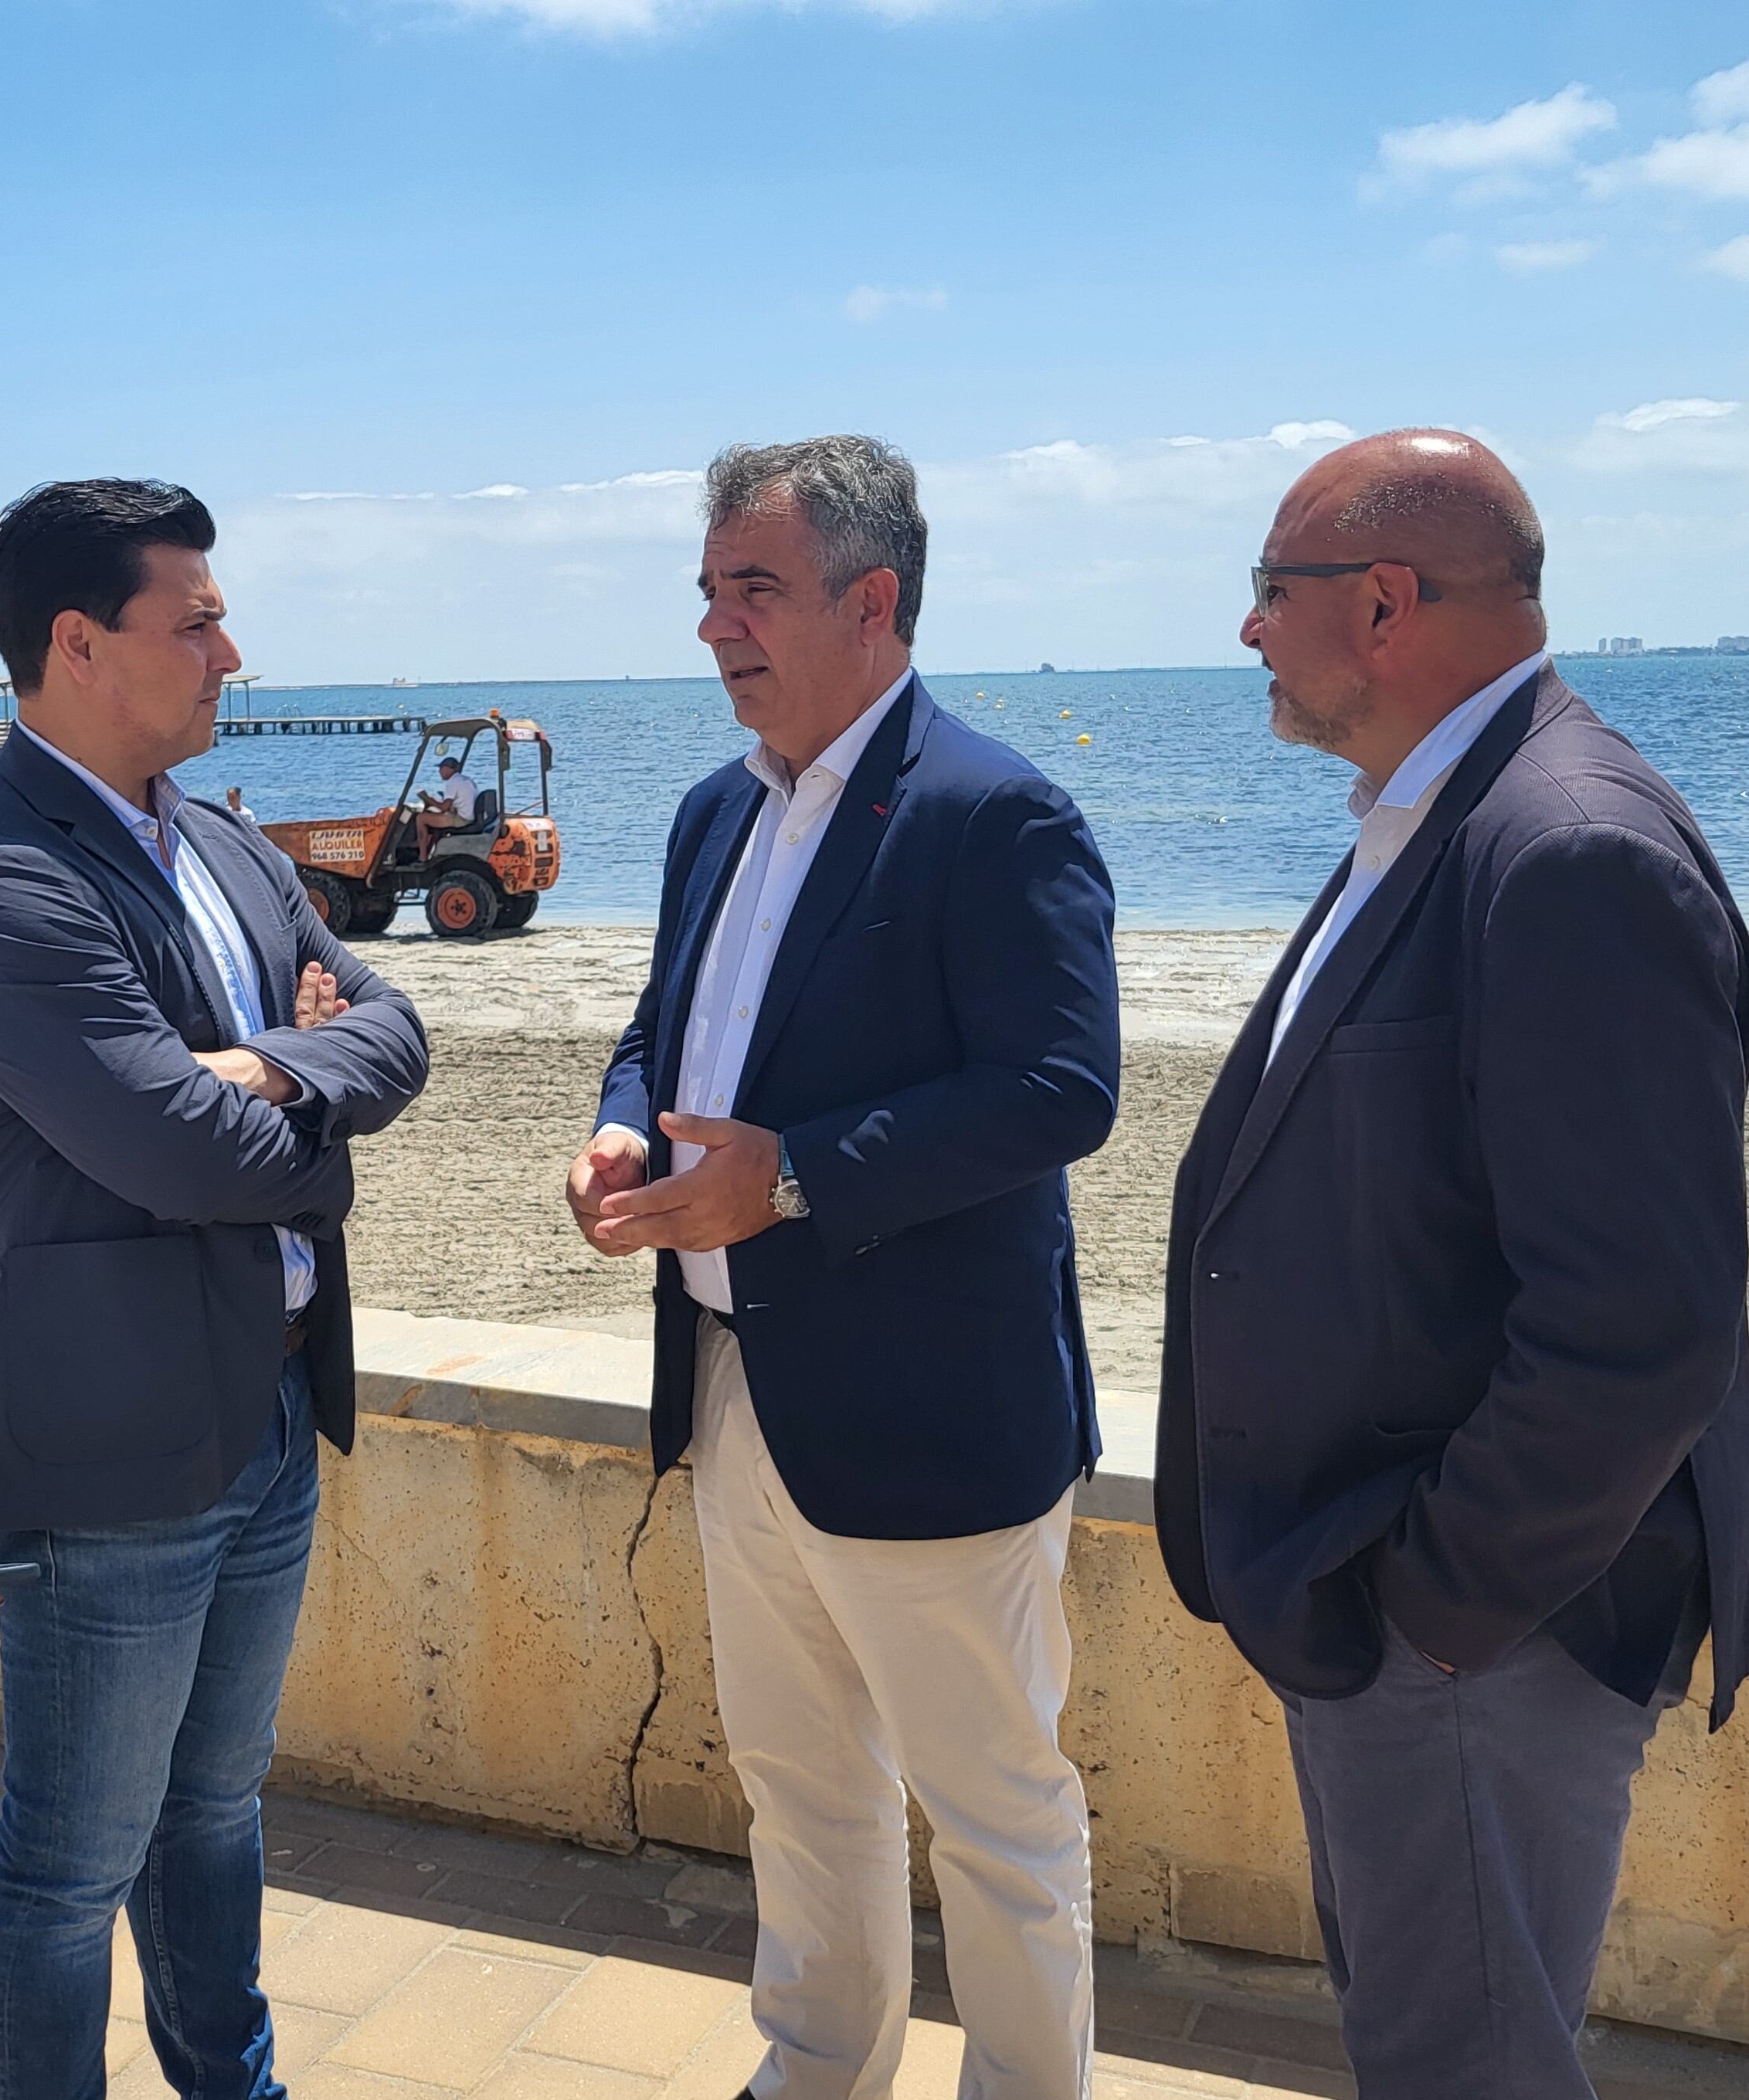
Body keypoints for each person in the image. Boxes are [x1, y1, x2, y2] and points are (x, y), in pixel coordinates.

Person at [1151, 430, 1749, 2098]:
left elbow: (1636, 1325)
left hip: (1478, 1630)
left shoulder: (1562, 842)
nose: (1244, 633)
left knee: (1461, 2067)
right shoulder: (1438, 808)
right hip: (1405, 1605)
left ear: (1378, 603)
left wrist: (1431, 1606)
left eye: (1265, 593)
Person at [565, 436, 1119, 2099]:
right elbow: (661, 1036)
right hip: (742, 1394)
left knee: (998, 1818)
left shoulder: (991, 811)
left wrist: (790, 1178)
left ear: (870, 602)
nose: (716, 627)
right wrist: (615, 1133)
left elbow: (1056, 1089)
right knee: (799, 1788)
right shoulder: (707, 810)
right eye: (709, 590)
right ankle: (816, 2073)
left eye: (756, 589)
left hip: (933, 1416)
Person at [0, 478, 428, 2099]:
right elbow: (185, 1153)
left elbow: (397, 1029)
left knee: (214, 1812)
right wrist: (302, 1109)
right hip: (106, 1449)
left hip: (263, 1406)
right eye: (191, 621)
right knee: (70, 1864)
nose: (229, 650)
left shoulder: (225, 845)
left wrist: (262, 1065)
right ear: (75, 642)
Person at [413, 751, 477, 847]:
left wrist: (426, 798)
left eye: (441, 768)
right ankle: (433, 846)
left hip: (462, 820)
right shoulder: (466, 780)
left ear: (447, 768)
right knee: (432, 812)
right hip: (469, 816)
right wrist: (431, 802)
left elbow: (444, 808)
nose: (439, 772)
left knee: (421, 818)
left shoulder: (452, 782)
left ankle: (422, 857)